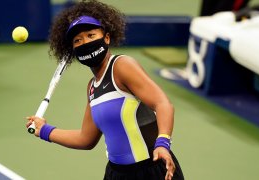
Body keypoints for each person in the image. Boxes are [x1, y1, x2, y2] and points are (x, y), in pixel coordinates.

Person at [26, 0, 184, 179]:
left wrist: (163, 143)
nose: (85, 42)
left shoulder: (122, 66)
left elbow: (162, 103)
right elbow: (86, 139)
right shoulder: (92, 87)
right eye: (78, 40)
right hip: (116, 174)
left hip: (152, 170)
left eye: (91, 35)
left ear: (106, 38)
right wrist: (44, 130)